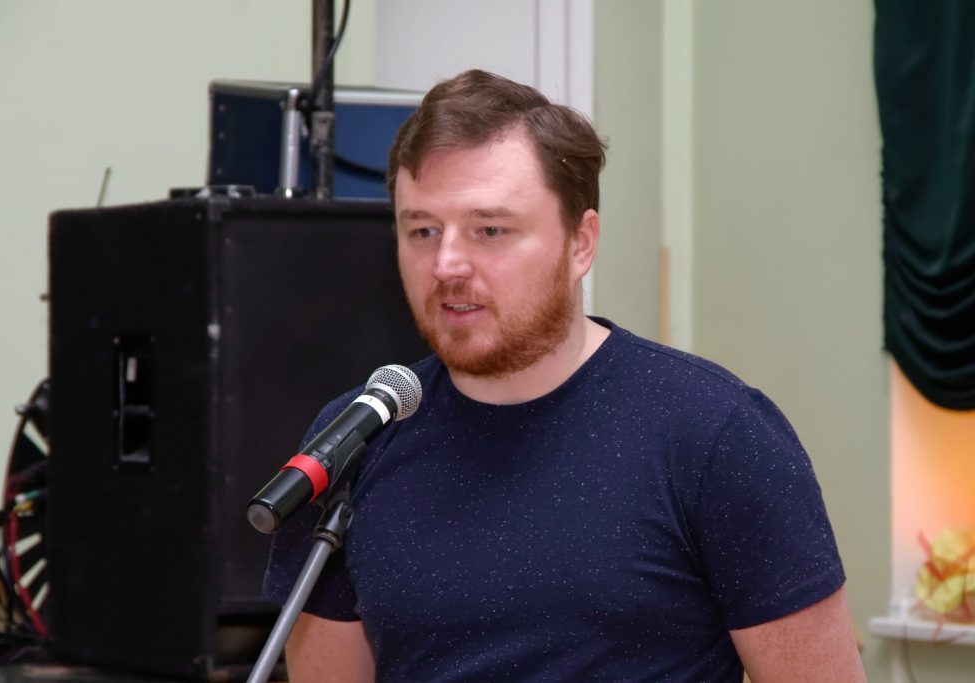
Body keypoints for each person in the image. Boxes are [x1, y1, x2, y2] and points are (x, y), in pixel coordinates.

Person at [264, 69, 865, 682]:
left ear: (581, 243)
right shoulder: (354, 439)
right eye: (423, 231)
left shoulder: (717, 435)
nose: (446, 264)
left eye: (490, 230)